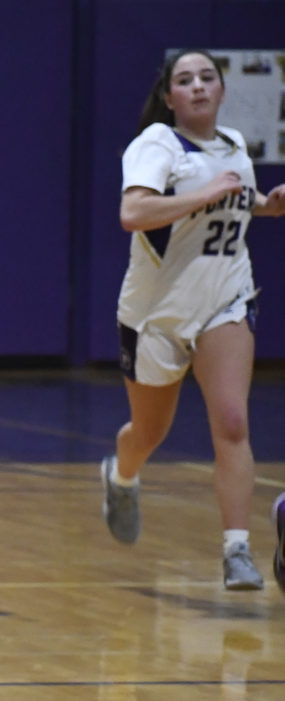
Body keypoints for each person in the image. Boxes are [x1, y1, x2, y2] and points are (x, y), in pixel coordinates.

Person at [102, 49, 285, 589]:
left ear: (222, 91)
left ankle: (237, 550)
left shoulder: (232, 146)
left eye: (208, 77)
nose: (199, 86)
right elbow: (133, 213)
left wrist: (264, 206)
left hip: (224, 299)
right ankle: (122, 474)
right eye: (186, 80)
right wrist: (206, 193)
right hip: (156, 313)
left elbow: (229, 199)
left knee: (231, 422)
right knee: (149, 432)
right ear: (169, 98)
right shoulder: (155, 145)